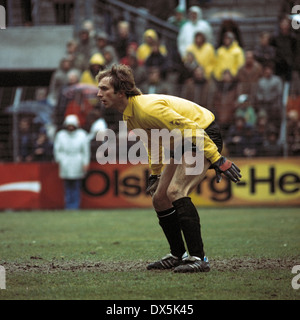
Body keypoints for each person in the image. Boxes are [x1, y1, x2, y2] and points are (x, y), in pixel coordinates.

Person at [96, 64, 241, 273]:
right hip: (182, 142)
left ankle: (200, 258)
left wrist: (217, 159)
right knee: (160, 198)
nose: (99, 93)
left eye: (104, 88)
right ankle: (178, 255)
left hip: (202, 134)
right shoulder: (130, 114)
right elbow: (153, 144)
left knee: (175, 191)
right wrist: (155, 174)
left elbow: (192, 128)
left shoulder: (146, 108)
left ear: (120, 91)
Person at [54, 114, 90, 209]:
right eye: (68, 125)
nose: (70, 127)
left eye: (72, 125)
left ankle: (75, 206)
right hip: (65, 161)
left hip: (77, 160)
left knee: (76, 185)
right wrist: (60, 159)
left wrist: (85, 163)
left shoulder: (82, 135)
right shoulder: (61, 135)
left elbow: (85, 151)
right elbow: (57, 149)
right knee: (67, 185)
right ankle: (68, 205)